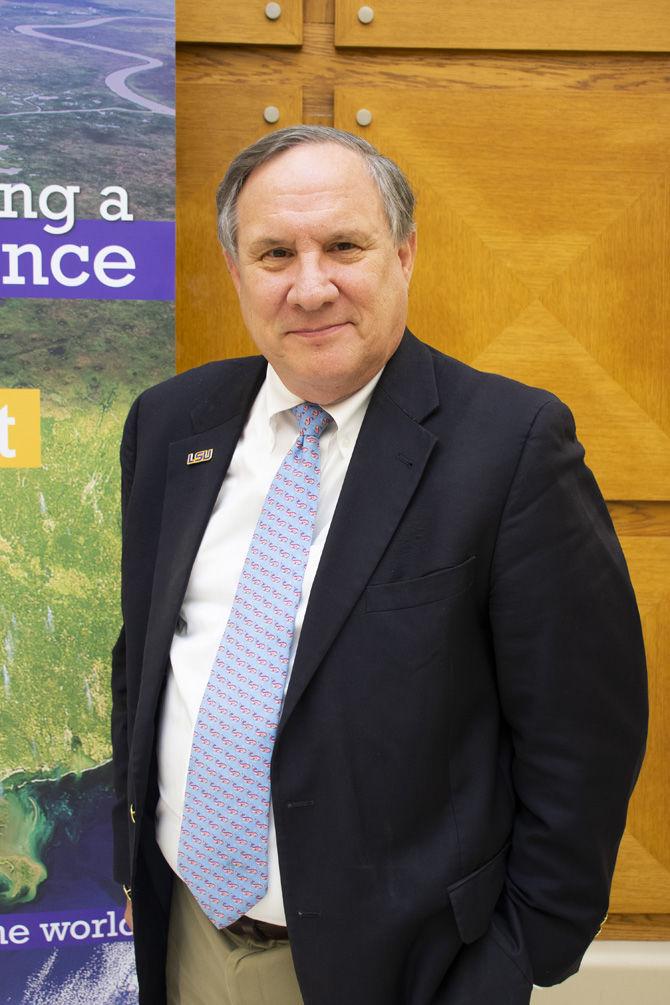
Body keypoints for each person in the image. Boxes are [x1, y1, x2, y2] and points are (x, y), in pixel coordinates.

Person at [111, 126, 647, 1005]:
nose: (311, 284)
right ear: (237, 269)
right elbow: (149, 656)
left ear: (403, 252)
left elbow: (583, 746)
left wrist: (513, 962)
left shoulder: (511, 449)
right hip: (185, 942)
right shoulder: (171, 425)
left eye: (344, 246)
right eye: (275, 252)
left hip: (405, 970)